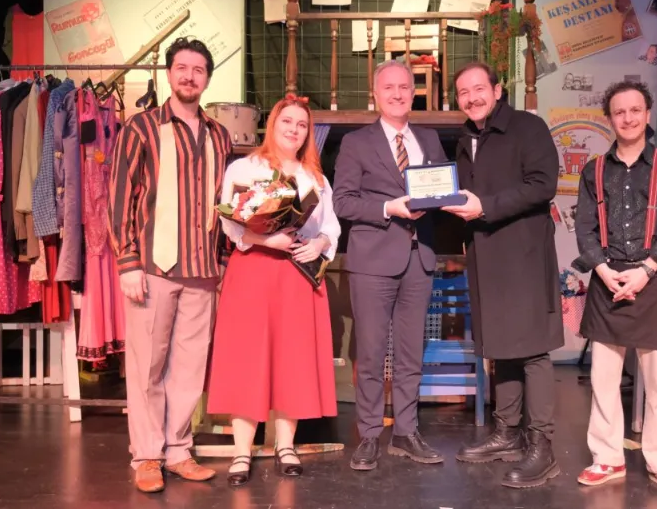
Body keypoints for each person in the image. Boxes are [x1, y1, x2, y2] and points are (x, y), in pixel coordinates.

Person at [108, 37, 233, 493]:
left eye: (198, 70)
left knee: (189, 369)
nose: (189, 76)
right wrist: (127, 262)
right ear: (169, 73)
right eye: (182, 67)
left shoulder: (219, 135)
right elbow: (120, 197)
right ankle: (146, 455)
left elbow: (225, 204)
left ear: (207, 78)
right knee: (147, 366)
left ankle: (178, 450)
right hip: (153, 268)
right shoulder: (141, 127)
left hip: (202, 271)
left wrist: (223, 260)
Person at [206, 93, 341, 485]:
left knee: (291, 359)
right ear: (273, 125)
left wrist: (319, 243)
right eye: (287, 122)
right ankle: (242, 451)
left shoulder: (315, 178)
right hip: (252, 271)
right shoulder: (244, 168)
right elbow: (230, 223)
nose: (293, 130)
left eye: (301, 125)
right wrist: (266, 239)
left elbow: (330, 226)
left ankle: (285, 445)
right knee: (246, 359)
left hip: (296, 275)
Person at [442, 62, 563, 489]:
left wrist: (486, 207)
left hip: (523, 253)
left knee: (532, 350)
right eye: (463, 92)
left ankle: (542, 446)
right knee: (500, 346)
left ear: (497, 90)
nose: (472, 97)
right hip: (485, 254)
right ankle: (507, 433)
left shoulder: (528, 127)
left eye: (479, 88)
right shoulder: (466, 138)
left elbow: (543, 185)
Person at [571, 80, 657, 497]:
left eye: (635, 110)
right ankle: (607, 457)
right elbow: (585, 227)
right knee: (603, 379)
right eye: (619, 112)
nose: (628, 118)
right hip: (607, 279)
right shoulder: (593, 170)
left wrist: (646, 270)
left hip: (651, 280)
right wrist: (604, 272)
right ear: (610, 118)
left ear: (647, 114)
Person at [333, 60, 448, 471]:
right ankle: (368, 434)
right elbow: (343, 201)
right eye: (389, 87)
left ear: (413, 93)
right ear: (376, 94)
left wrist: (443, 199)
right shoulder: (356, 142)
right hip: (373, 261)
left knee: (411, 353)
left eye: (404, 87)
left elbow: (442, 188)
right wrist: (388, 207)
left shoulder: (429, 139)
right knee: (371, 352)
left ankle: (405, 431)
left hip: (420, 257)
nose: (397, 94)